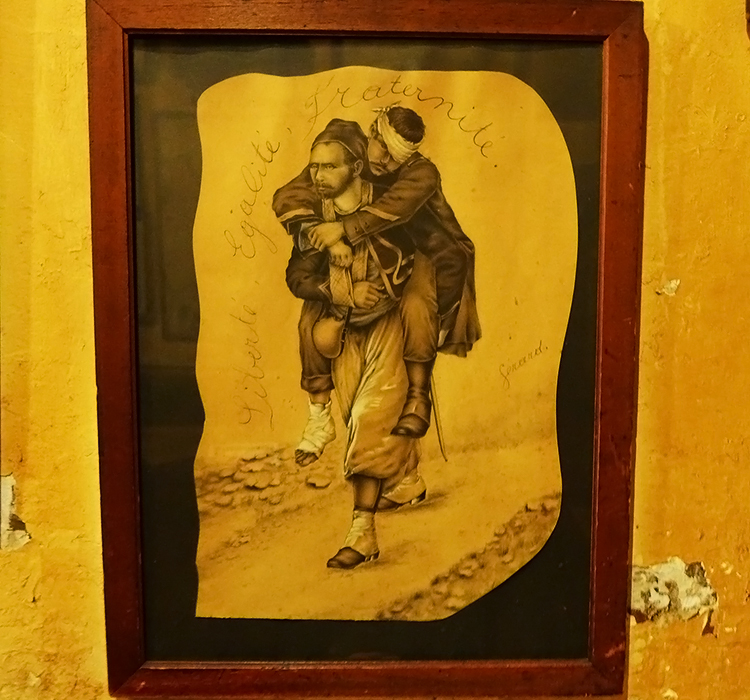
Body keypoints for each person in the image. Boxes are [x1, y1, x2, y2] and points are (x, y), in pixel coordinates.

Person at [274, 106, 480, 460]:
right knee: (310, 321)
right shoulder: (351, 155)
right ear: (371, 134)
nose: (383, 160)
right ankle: (320, 417)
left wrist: (342, 230)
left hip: (430, 253)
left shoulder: (421, 173)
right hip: (365, 264)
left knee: (417, 306)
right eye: (380, 146)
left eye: (394, 155)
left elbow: (396, 208)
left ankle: (419, 397)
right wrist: (327, 240)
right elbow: (289, 195)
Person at [284, 119, 425, 568]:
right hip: (344, 330)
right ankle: (405, 480)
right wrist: (339, 291)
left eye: (329, 167)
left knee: (370, 419)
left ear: (357, 167)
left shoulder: (388, 206)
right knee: (354, 419)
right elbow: (297, 276)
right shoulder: (314, 222)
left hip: (389, 326)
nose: (318, 176)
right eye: (314, 167)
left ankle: (362, 533)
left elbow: (417, 254)